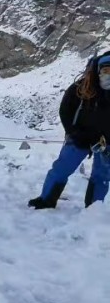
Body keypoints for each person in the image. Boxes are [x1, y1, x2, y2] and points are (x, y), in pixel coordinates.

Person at [29, 51, 110, 209]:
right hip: (80, 137)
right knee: (62, 168)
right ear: (98, 70)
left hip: (108, 143)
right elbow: (65, 110)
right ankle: (46, 200)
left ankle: (94, 209)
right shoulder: (82, 88)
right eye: (106, 70)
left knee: (102, 177)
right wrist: (73, 132)